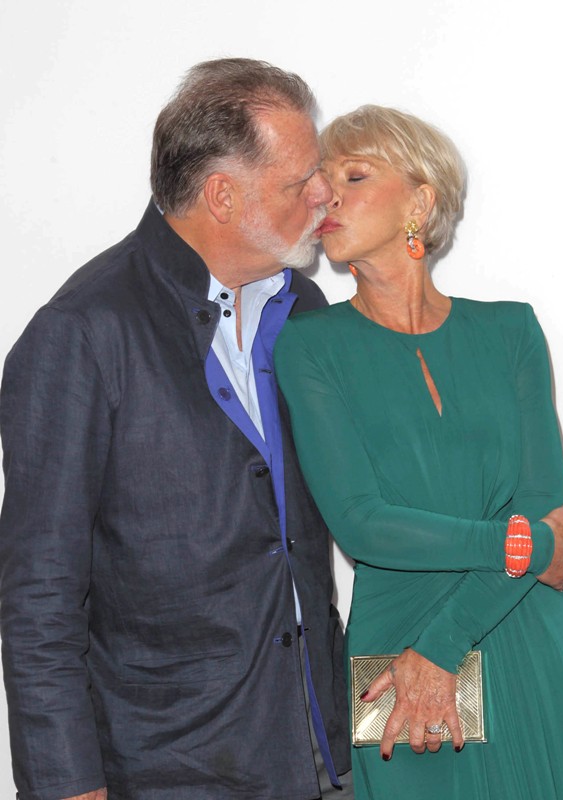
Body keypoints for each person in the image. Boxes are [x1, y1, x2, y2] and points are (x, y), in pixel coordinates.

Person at [0, 58, 353, 800]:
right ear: (222, 195)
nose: (323, 193)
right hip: (172, 769)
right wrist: (66, 784)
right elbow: (39, 596)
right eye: (300, 181)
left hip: (323, 750)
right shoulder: (84, 332)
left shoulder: (307, 311)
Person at [274, 104, 563, 799]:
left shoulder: (511, 331)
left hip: (533, 634)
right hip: (400, 648)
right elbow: (364, 525)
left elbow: (545, 501)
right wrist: (531, 547)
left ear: (420, 202)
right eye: (322, 182)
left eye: (354, 176)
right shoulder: (308, 344)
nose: (326, 196)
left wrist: (445, 645)